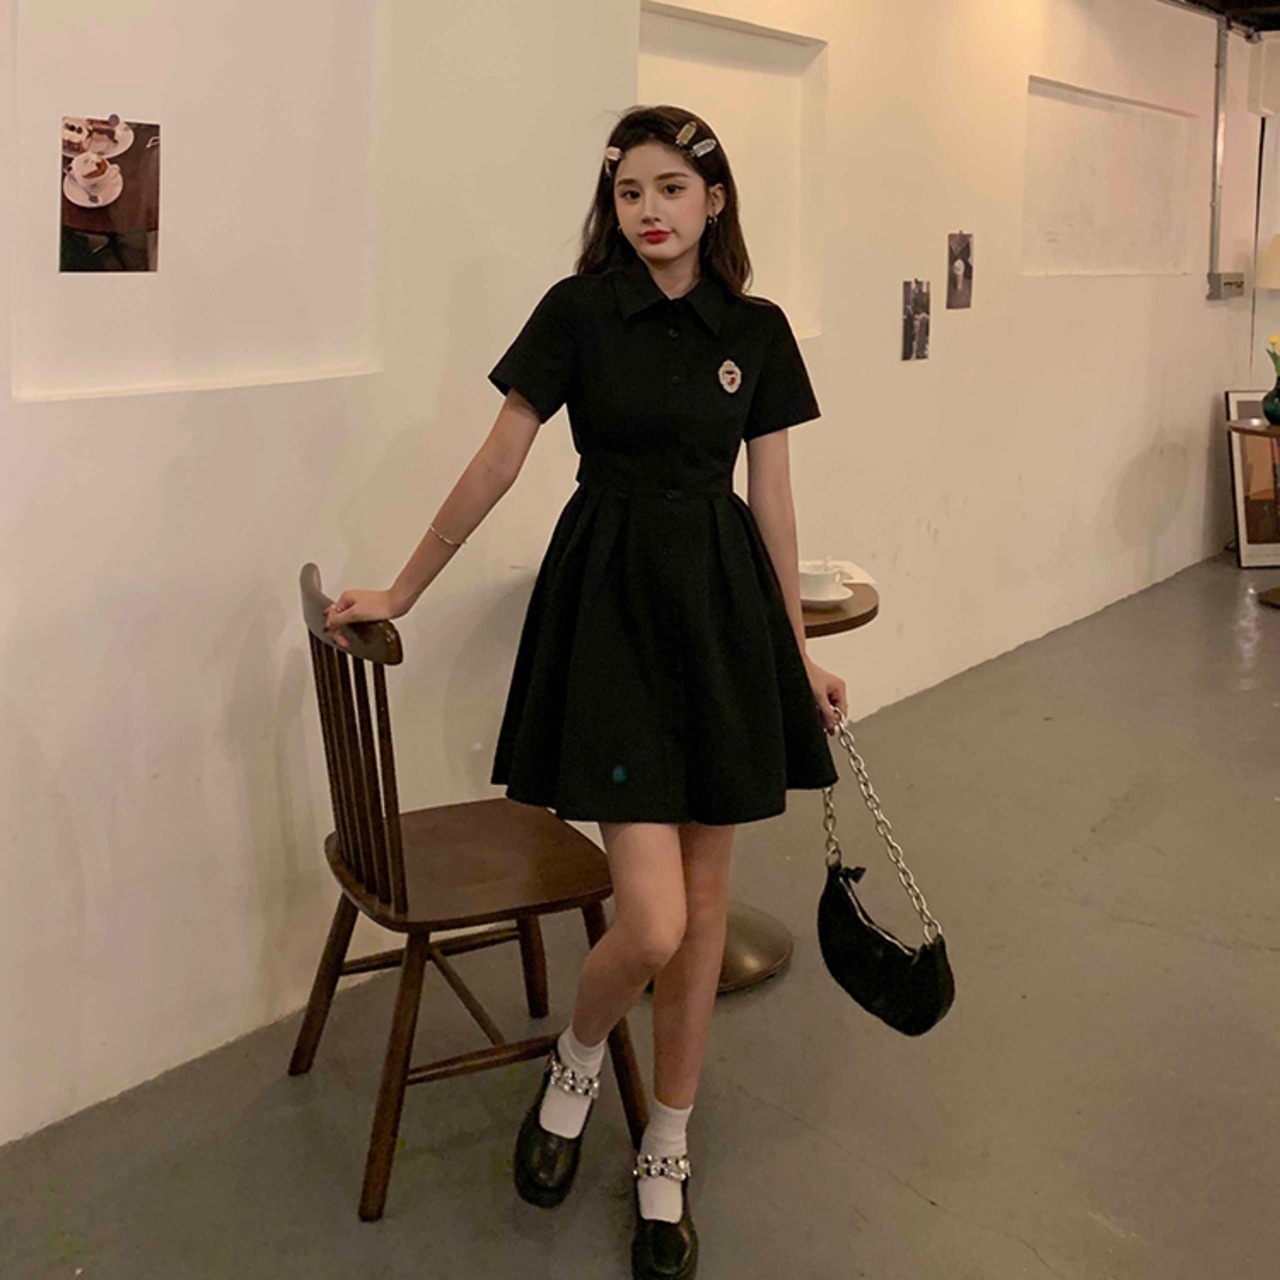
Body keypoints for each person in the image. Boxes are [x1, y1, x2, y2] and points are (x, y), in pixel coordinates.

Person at [323, 104, 847, 1280]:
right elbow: (501, 456)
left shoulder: (755, 330)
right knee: (650, 920)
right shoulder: (576, 312)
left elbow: (771, 500)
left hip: (718, 617)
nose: (649, 210)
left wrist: (795, 649)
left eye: (672, 188)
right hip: (609, 616)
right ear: (611, 205)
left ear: (714, 201)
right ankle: (577, 1053)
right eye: (629, 191)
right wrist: (403, 586)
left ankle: (665, 1142)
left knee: (701, 908)